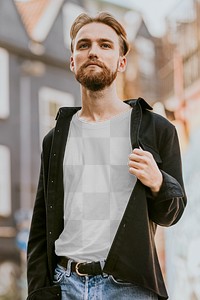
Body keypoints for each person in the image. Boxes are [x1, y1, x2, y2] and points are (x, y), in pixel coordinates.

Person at [26, 12, 187, 300]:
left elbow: (171, 214)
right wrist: (38, 290)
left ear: (121, 62)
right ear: (73, 61)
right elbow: (40, 227)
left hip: (130, 289)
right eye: (83, 45)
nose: (94, 52)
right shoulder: (55, 139)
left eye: (105, 45)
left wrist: (158, 182)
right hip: (66, 286)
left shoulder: (157, 130)